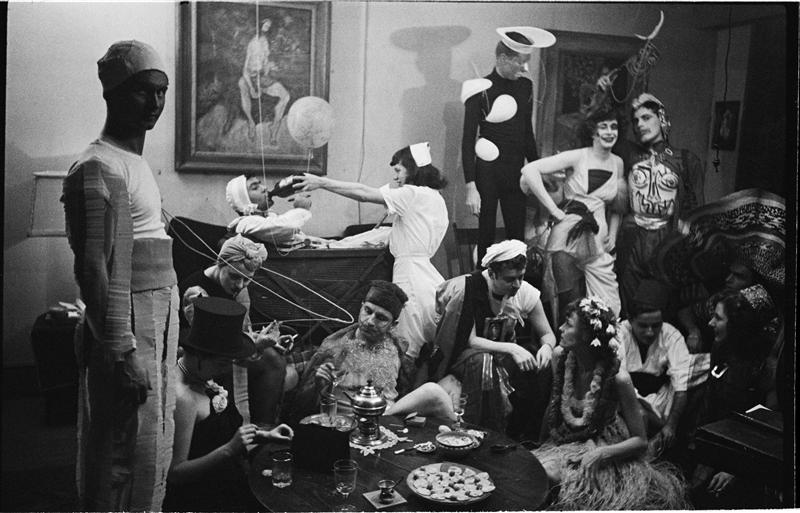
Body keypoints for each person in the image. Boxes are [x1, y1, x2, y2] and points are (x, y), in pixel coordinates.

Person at [61, 40, 178, 511]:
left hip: (155, 322)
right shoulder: (97, 166)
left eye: (162, 91)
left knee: (150, 443)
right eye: (142, 91)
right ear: (112, 93)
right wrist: (122, 351)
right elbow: (92, 267)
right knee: (119, 452)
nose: (155, 103)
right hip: (128, 325)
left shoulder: (134, 162)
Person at [292, 142, 448, 362]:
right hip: (426, 275)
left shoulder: (412, 194)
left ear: (413, 169)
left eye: (398, 170)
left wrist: (321, 182)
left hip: (410, 277)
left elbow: (364, 193)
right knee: (423, 341)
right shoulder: (435, 197)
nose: (395, 177)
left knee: (407, 344)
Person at [533, 296, 689, 510]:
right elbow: (554, 404)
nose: (560, 329)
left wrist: (599, 455)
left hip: (604, 443)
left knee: (552, 476)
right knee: (533, 470)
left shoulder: (618, 377)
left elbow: (640, 441)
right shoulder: (560, 357)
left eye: (568, 324)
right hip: (565, 436)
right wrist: (541, 444)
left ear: (587, 335)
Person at [163, 297, 293, 512]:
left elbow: (216, 435)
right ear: (200, 356)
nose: (226, 369)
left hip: (231, 480)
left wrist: (265, 435)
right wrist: (230, 449)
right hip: (206, 499)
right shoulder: (184, 398)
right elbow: (175, 473)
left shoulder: (204, 376)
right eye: (223, 363)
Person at [424, 239, 556, 439]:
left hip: (502, 357)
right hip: (467, 358)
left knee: (539, 364)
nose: (517, 284)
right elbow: (471, 341)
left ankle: (526, 433)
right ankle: (482, 429)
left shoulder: (524, 291)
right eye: (510, 279)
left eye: (521, 277)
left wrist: (546, 347)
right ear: (492, 273)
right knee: (484, 361)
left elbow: (548, 334)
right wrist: (512, 348)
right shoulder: (469, 288)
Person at [287, 280, 455, 423]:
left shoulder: (397, 349)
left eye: (381, 318)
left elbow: (405, 390)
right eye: (368, 311)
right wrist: (319, 385)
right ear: (361, 307)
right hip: (349, 423)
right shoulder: (335, 348)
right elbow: (301, 408)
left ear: (393, 325)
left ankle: (457, 436)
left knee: (443, 389)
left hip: (390, 420)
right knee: (433, 392)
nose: (370, 321)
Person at [180, 234, 301, 425]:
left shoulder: (238, 288)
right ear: (220, 263)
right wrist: (256, 344)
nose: (240, 285)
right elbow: (209, 345)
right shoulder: (196, 292)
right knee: (267, 361)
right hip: (196, 355)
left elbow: (237, 331)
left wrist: (265, 339)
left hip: (225, 348)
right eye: (234, 276)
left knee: (275, 359)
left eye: (247, 280)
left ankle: (264, 428)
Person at [520, 107, 625, 321]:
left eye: (614, 127)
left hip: (599, 240)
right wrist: (553, 209)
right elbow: (529, 171)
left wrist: (613, 235)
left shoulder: (618, 163)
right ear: (593, 131)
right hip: (568, 237)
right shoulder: (578, 156)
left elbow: (617, 206)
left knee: (610, 308)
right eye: (603, 127)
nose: (609, 132)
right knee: (570, 305)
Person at [461, 27, 554, 265]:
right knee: (486, 234)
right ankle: (482, 281)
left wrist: (536, 171)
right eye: (521, 62)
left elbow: (527, 134)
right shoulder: (480, 88)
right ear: (503, 58)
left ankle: (517, 283)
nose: (525, 68)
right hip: (488, 171)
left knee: (516, 237)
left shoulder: (525, 87)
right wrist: (471, 186)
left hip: (516, 172)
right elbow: (468, 139)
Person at [689, 284, 781, 508]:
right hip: (710, 446)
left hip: (741, 461)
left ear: (738, 325)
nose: (710, 323)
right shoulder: (720, 348)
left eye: (718, 318)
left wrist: (735, 469)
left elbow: (765, 430)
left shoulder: (764, 368)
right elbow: (710, 401)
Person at [616, 93, 705, 317]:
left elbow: (696, 211)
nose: (639, 124)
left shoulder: (686, 160)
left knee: (660, 310)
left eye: (646, 117)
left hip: (666, 241)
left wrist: (686, 244)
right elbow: (600, 126)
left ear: (662, 118)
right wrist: (602, 94)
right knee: (628, 310)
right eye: (636, 121)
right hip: (632, 240)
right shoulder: (629, 154)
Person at [615, 279, 691, 457]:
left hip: (660, 399)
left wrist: (670, 426)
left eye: (656, 325)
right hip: (626, 398)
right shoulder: (619, 333)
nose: (650, 332)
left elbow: (681, 389)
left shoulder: (671, 335)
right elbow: (620, 381)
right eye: (643, 326)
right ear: (631, 320)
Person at [238, 17, 291, 143]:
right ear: (259, 25)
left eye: (269, 26)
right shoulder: (252, 43)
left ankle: (274, 127)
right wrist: (252, 87)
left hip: (261, 77)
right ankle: (251, 122)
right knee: (242, 84)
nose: (267, 28)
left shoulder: (265, 42)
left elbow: (265, 62)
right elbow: (245, 69)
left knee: (286, 96)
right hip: (250, 77)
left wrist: (270, 68)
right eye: (265, 25)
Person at [225, 174, 312, 247]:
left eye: (260, 184)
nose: (264, 188)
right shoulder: (246, 223)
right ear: (245, 203)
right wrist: (301, 208)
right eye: (255, 188)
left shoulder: (268, 217)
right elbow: (286, 227)